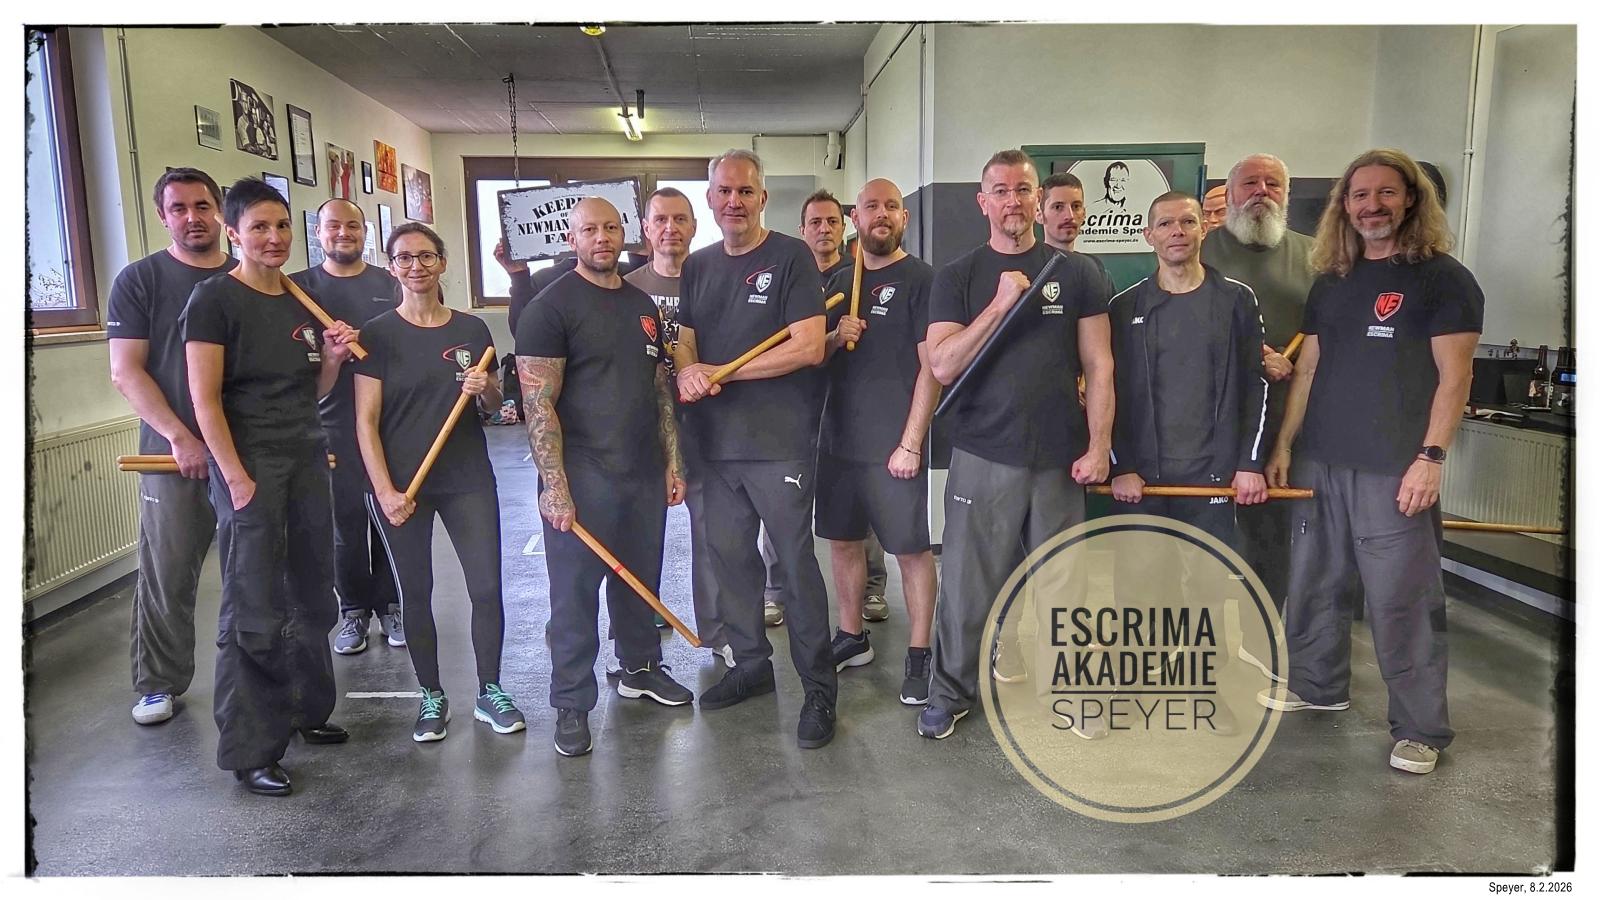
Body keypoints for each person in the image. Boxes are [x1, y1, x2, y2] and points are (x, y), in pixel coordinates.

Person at [1263, 148, 1483, 776]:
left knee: (1400, 598)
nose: (1372, 206)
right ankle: (1317, 685)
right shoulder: (1333, 280)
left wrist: (1431, 457)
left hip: (1393, 467)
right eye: (1359, 195)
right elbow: (1309, 368)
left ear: (1411, 199)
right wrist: (1285, 444)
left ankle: (1420, 728)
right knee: (1315, 582)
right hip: (1321, 459)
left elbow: (1456, 377)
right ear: (1344, 206)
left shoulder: (1444, 280)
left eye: (1386, 193)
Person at [919, 150, 1114, 740]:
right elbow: (943, 364)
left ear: (1038, 200)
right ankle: (950, 693)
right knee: (967, 586)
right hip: (983, 454)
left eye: (1023, 190)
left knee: (1065, 586)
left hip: (1059, 457)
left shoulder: (1077, 274)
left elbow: (1099, 366)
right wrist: (1001, 304)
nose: (1013, 201)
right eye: (1000, 191)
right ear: (983, 202)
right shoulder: (958, 276)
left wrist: (1099, 445)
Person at [182, 177, 354, 796]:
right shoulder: (214, 300)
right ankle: (251, 749)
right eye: (259, 227)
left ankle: (306, 710)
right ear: (234, 234)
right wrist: (234, 477)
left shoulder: (301, 299)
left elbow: (314, 391)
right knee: (254, 604)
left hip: (305, 456)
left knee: (312, 591)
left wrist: (331, 359)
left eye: (282, 226)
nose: (274, 237)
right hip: (248, 464)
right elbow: (204, 399)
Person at [517, 198, 694, 757]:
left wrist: (672, 461)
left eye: (611, 227)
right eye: (590, 229)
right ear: (571, 239)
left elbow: (660, 388)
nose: (602, 237)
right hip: (582, 474)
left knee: (640, 579)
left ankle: (639, 667)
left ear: (625, 233)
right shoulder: (549, 308)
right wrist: (554, 486)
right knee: (574, 596)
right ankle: (572, 702)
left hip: (640, 470)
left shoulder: (641, 304)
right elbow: (538, 405)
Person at [675, 149, 837, 749]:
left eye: (745, 191)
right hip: (714, 446)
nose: (734, 202)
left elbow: (809, 346)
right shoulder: (698, 266)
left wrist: (724, 372)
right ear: (710, 200)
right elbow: (686, 340)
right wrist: (689, 370)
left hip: (779, 444)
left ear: (762, 198)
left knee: (793, 566)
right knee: (730, 561)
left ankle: (819, 689)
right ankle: (751, 666)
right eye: (724, 191)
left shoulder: (791, 257)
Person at [1106, 192, 1270, 738]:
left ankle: (1205, 689)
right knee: (1138, 587)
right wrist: (1121, 464)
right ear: (1148, 236)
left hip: (1212, 477)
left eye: (1187, 222)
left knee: (1206, 590)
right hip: (1144, 479)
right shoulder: (1125, 307)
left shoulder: (1236, 300)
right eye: (1165, 224)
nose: (1177, 231)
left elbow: (1256, 385)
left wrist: (1249, 462)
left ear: (1204, 229)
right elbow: (1107, 392)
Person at [354, 223, 525, 744]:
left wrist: (486, 387)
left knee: (486, 586)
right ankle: (431, 695)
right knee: (417, 591)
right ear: (392, 267)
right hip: (402, 483)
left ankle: (490, 691)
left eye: (426, 256)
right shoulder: (376, 335)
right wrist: (384, 491)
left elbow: (494, 408)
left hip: (466, 477)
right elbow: (365, 421)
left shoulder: (472, 330)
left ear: (442, 262)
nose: (416, 266)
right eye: (405, 258)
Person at [108, 167, 236, 727]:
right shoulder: (140, 280)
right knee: (168, 570)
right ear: (163, 217)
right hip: (172, 453)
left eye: (202, 206)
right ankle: (158, 684)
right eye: (179, 208)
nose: (192, 217)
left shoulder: (250, 276)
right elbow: (125, 371)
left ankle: (262, 678)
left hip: (246, 450)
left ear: (220, 212)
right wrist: (181, 438)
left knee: (258, 570)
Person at [817, 178, 940, 704]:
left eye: (892, 206)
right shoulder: (838, 281)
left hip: (894, 444)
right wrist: (833, 336)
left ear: (904, 218)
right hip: (838, 440)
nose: (882, 214)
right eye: (871, 206)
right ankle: (852, 637)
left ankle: (920, 652)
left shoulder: (923, 280)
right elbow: (812, 357)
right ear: (856, 218)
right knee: (843, 542)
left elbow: (932, 368)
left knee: (910, 550)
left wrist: (911, 441)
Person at [1201, 153, 1315, 618]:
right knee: (1206, 530)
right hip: (1215, 419)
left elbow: (1328, 333)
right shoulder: (1199, 250)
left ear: (1287, 194)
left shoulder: (1317, 255)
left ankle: (1261, 631)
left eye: (1273, 183)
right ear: (1230, 194)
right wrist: (1255, 354)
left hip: (1289, 418)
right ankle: (1201, 636)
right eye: (1250, 183)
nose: (1261, 191)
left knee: (1272, 531)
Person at [290, 199, 402, 656]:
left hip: (388, 420)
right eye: (333, 225)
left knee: (390, 515)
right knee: (344, 522)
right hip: (330, 420)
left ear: (365, 232)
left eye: (352, 225)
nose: (343, 233)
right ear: (318, 232)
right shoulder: (297, 288)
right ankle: (353, 609)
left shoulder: (389, 284)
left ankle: (393, 605)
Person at [778, 188, 892, 627]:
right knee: (783, 501)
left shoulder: (860, 274)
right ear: (802, 229)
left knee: (860, 503)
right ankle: (777, 589)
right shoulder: (789, 277)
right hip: (794, 406)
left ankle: (873, 588)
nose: (824, 229)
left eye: (831, 221)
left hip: (849, 408)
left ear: (844, 227)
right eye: (815, 222)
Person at [626, 188, 700, 638]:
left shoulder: (709, 278)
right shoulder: (627, 287)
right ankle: (644, 603)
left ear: (694, 226)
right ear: (646, 229)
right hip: (647, 417)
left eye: (680, 219)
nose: (670, 228)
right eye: (660, 220)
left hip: (705, 415)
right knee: (644, 522)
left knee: (710, 523)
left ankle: (718, 619)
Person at [1036, 171, 1113, 293]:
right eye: (1058, 207)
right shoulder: (1030, 267)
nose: (1069, 216)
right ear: (1039, 215)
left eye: (1076, 206)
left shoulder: (1095, 269)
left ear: (1084, 213)